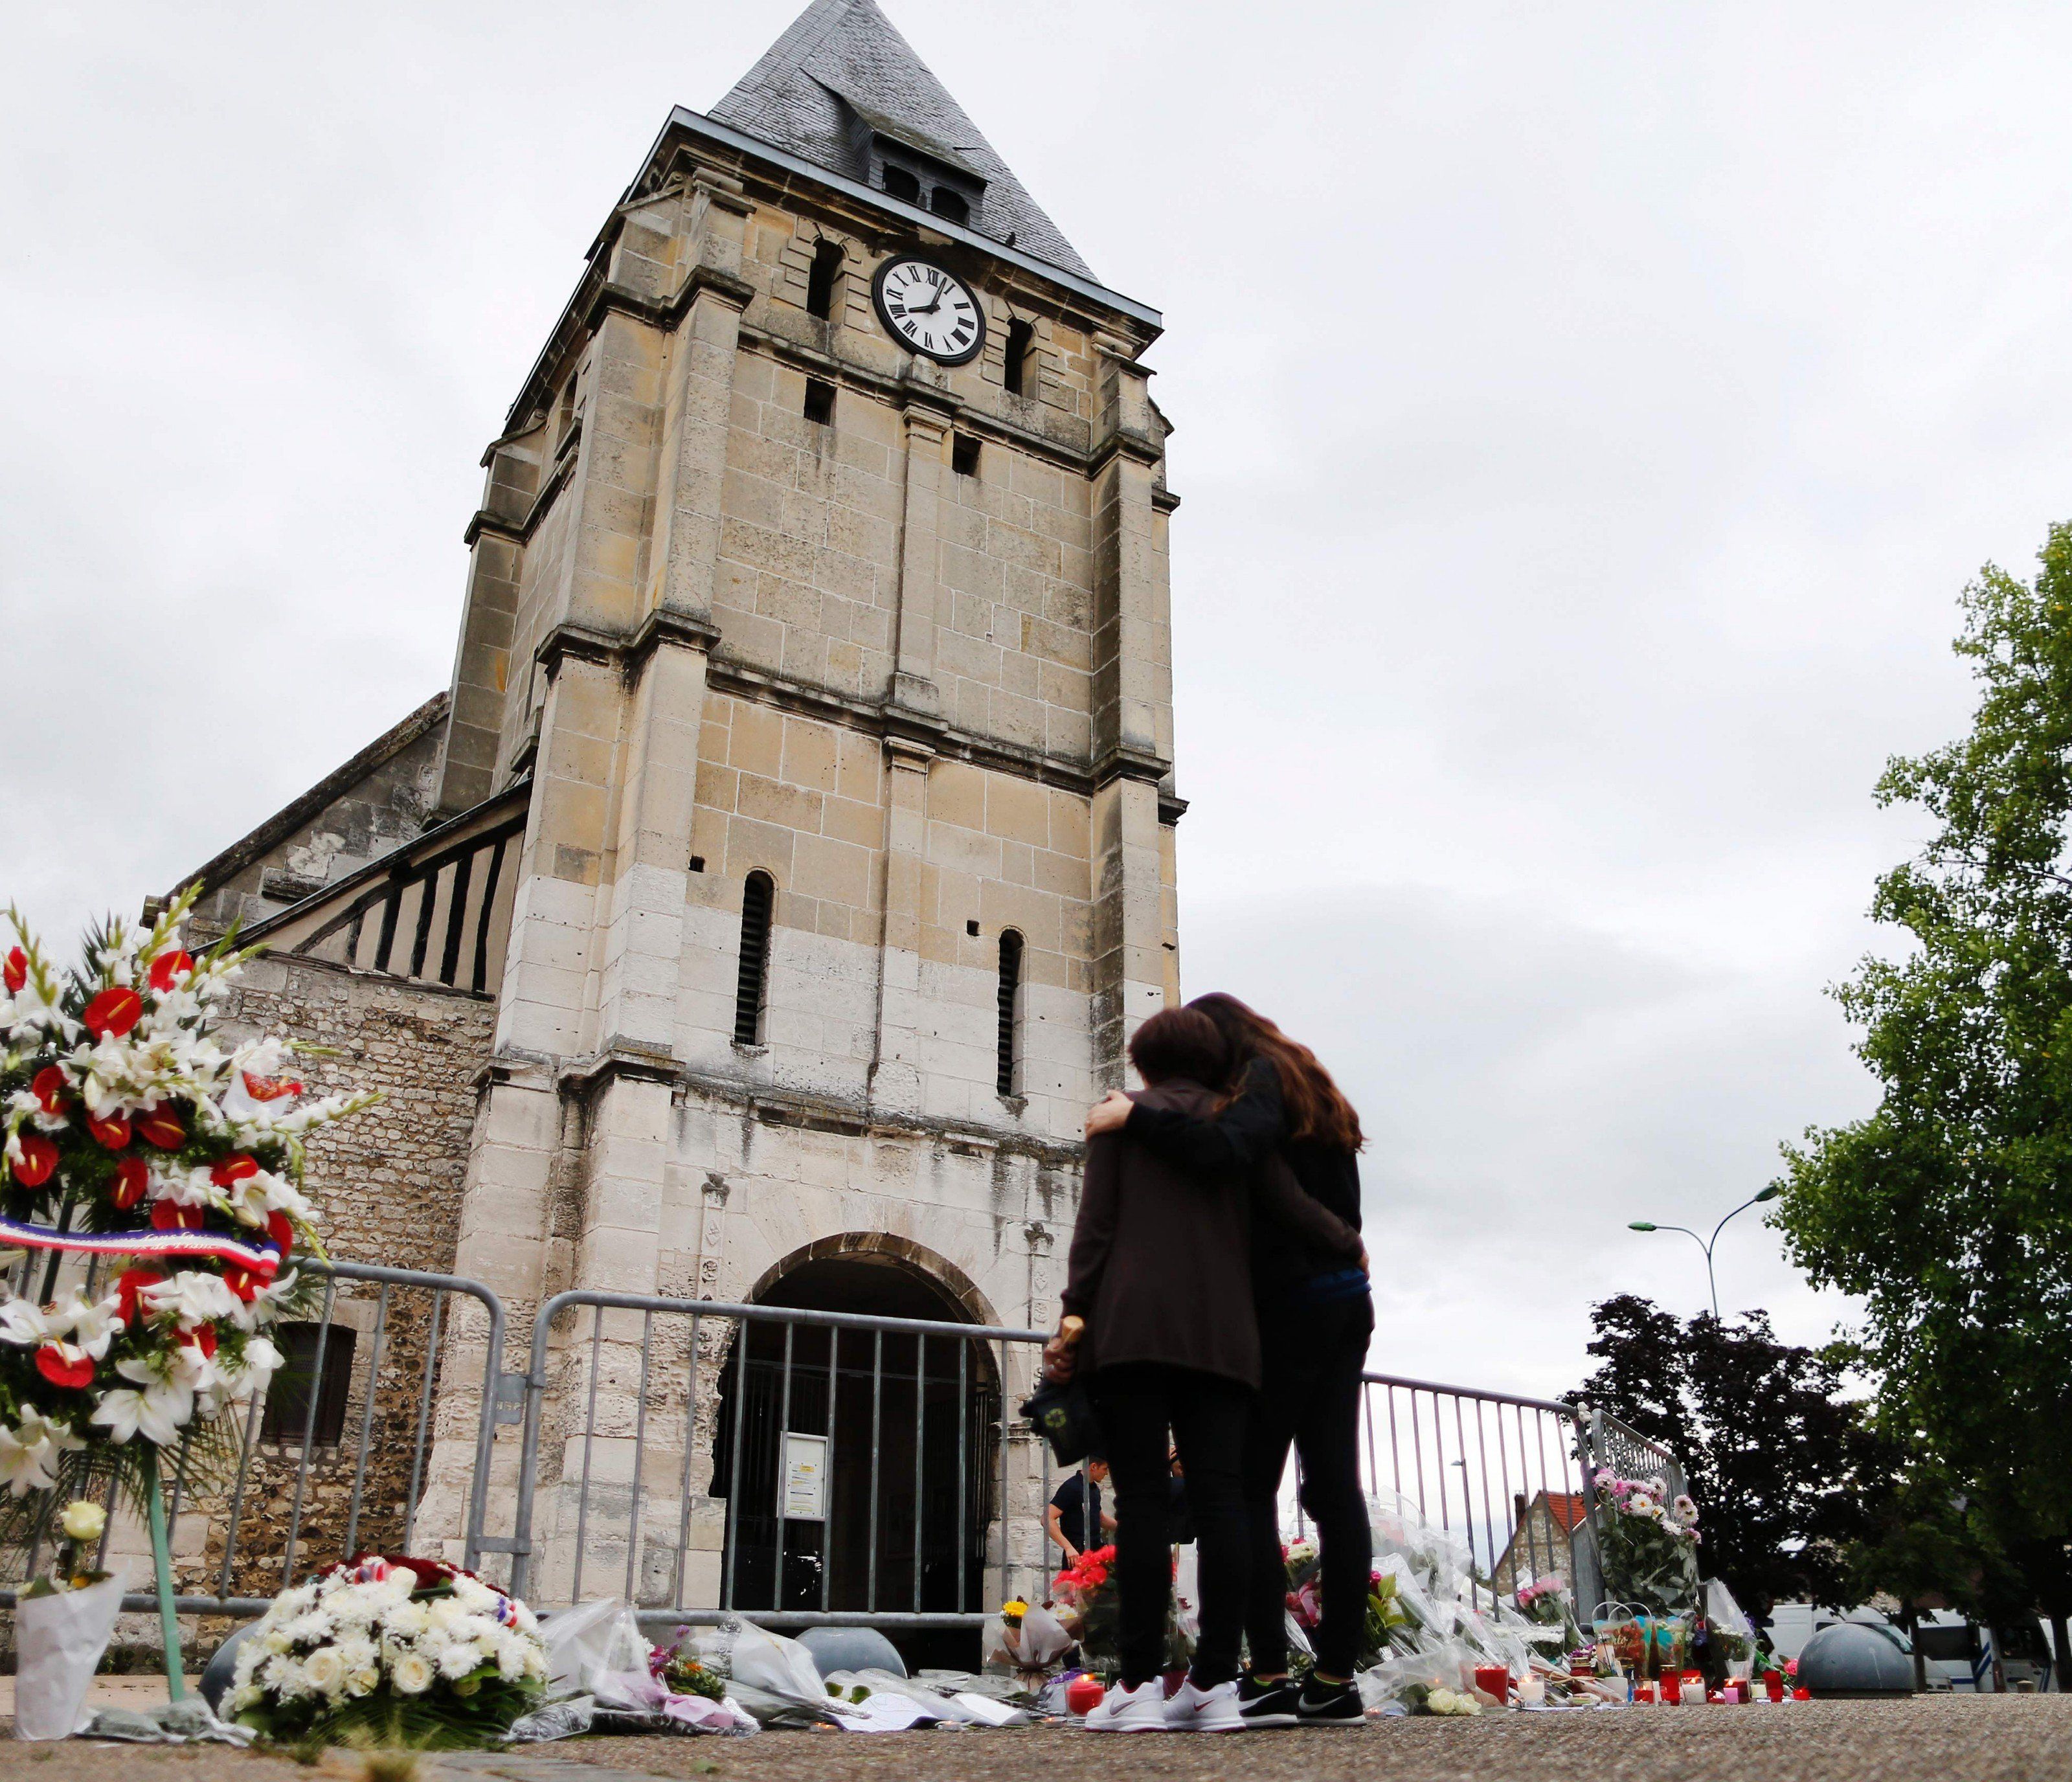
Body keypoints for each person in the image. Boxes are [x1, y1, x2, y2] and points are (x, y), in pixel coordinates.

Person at [1048, 1007, 1362, 1733]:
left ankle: (1136, 1688)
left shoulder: (1123, 1119)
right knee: (1223, 1500)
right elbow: (1290, 1204)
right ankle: (1219, 1683)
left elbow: (1095, 1232)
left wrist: (1070, 1324)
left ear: (1145, 1062)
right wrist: (1347, 1245)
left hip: (1134, 1333)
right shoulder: (1235, 1128)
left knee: (1145, 1503)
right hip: (1225, 1342)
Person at [1046, 1458, 1114, 1564]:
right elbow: (1047, 1519)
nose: (1106, 1473)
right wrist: (1068, 1548)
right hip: (1077, 1555)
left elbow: (1101, 1520)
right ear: (1094, 1467)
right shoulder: (1071, 1487)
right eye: (1105, 1469)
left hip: (1095, 1554)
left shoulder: (1094, 1489)